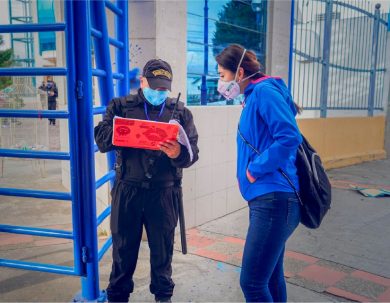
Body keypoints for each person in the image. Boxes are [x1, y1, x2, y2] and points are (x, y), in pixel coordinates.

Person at [94, 59, 199, 303]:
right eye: (154, 87)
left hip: (164, 193)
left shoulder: (180, 112)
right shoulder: (120, 106)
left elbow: (192, 154)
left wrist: (178, 153)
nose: (159, 93)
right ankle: (118, 297)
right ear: (142, 82)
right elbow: (101, 140)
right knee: (123, 250)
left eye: (164, 89)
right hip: (128, 190)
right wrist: (124, 134)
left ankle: (163, 297)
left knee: (163, 252)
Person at [215, 44, 302, 302]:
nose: (220, 82)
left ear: (239, 72)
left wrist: (254, 170)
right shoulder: (254, 95)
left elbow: (289, 137)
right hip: (270, 199)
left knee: (252, 282)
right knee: (271, 277)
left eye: (222, 75)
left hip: (275, 200)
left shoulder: (263, 92)